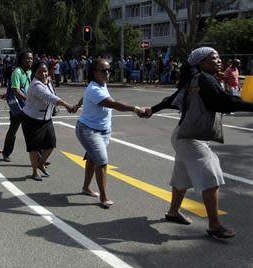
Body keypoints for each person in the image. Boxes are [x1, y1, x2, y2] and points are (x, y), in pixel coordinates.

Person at [143, 47, 253, 239]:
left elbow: (172, 99)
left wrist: (153, 109)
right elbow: (224, 102)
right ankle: (214, 225)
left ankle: (173, 212)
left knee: (181, 178)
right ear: (201, 62)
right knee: (211, 176)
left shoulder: (196, 79)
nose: (219, 60)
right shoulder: (203, 79)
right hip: (188, 137)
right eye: (214, 58)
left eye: (219, 57)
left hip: (184, 134)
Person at [73, 58, 145, 208]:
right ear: (94, 72)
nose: (107, 73)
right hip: (88, 130)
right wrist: (135, 109)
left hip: (104, 130)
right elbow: (113, 104)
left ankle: (86, 188)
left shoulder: (100, 85)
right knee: (102, 161)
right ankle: (104, 198)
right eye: (103, 70)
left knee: (93, 159)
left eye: (108, 70)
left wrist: (78, 104)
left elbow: (85, 96)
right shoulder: (94, 89)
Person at [21, 61, 74, 181]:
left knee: (51, 144)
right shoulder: (36, 86)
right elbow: (50, 97)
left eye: (45, 71)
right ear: (35, 73)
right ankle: (34, 172)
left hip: (46, 119)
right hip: (31, 119)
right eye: (40, 72)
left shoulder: (48, 81)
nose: (44, 74)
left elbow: (53, 93)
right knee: (33, 147)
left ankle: (41, 163)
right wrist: (66, 104)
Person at [2, 51, 33, 162]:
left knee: (32, 132)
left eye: (31, 58)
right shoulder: (17, 72)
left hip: (28, 106)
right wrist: (28, 99)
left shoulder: (29, 72)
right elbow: (16, 90)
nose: (30, 60)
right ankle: (6, 153)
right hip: (18, 107)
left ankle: (38, 157)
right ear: (21, 60)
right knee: (13, 131)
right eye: (27, 58)